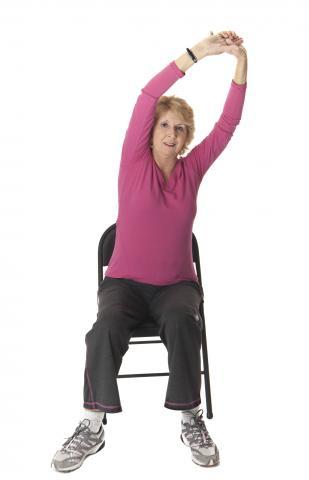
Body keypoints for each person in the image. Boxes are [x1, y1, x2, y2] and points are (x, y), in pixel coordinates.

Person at [51, 30, 247, 472]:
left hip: (177, 286)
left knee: (183, 318)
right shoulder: (132, 161)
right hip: (123, 285)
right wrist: (199, 53)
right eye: (164, 125)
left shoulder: (193, 169)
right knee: (103, 330)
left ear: (187, 137)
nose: (172, 134)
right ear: (151, 130)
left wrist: (239, 61)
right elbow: (148, 94)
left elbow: (229, 124)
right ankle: (92, 425)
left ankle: (190, 417)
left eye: (180, 129)